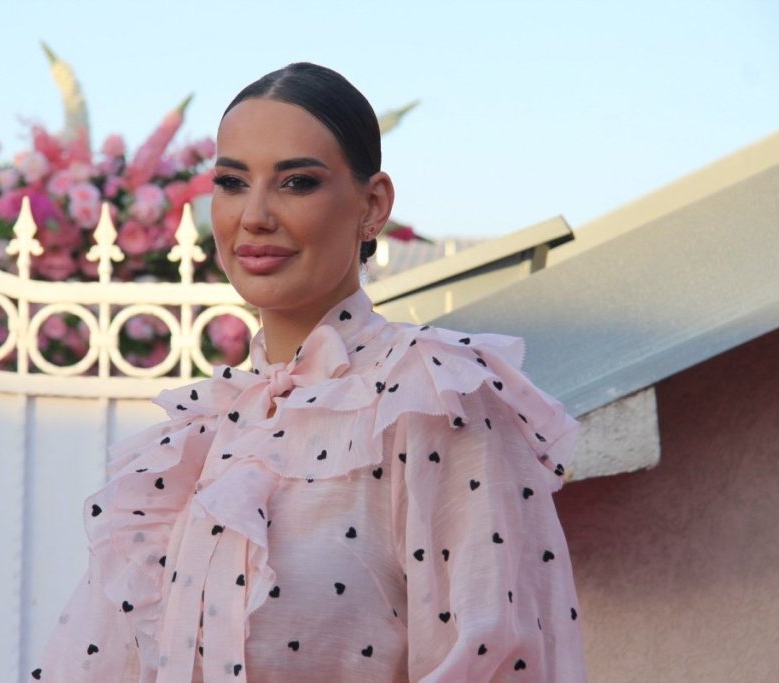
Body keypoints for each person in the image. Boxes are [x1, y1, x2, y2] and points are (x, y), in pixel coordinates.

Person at [33, 62, 587, 682]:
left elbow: (496, 660)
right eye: (232, 182)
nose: (254, 215)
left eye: (296, 182)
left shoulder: (434, 397)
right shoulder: (198, 439)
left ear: (373, 205)